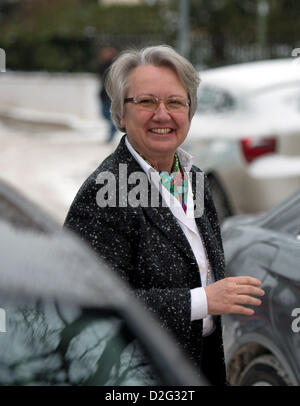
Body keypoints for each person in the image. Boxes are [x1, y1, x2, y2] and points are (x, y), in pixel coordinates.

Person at [64, 45, 265, 385]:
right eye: (146, 102)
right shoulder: (105, 191)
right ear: (120, 114)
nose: (162, 114)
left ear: (190, 110)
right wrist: (203, 300)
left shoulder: (195, 180)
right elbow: (91, 304)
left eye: (175, 102)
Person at [96, 46, 119, 143]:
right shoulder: (101, 64)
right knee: (104, 113)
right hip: (103, 93)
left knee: (110, 114)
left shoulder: (115, 64)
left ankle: (112, 131)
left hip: (111, 93)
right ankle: (113, 129)